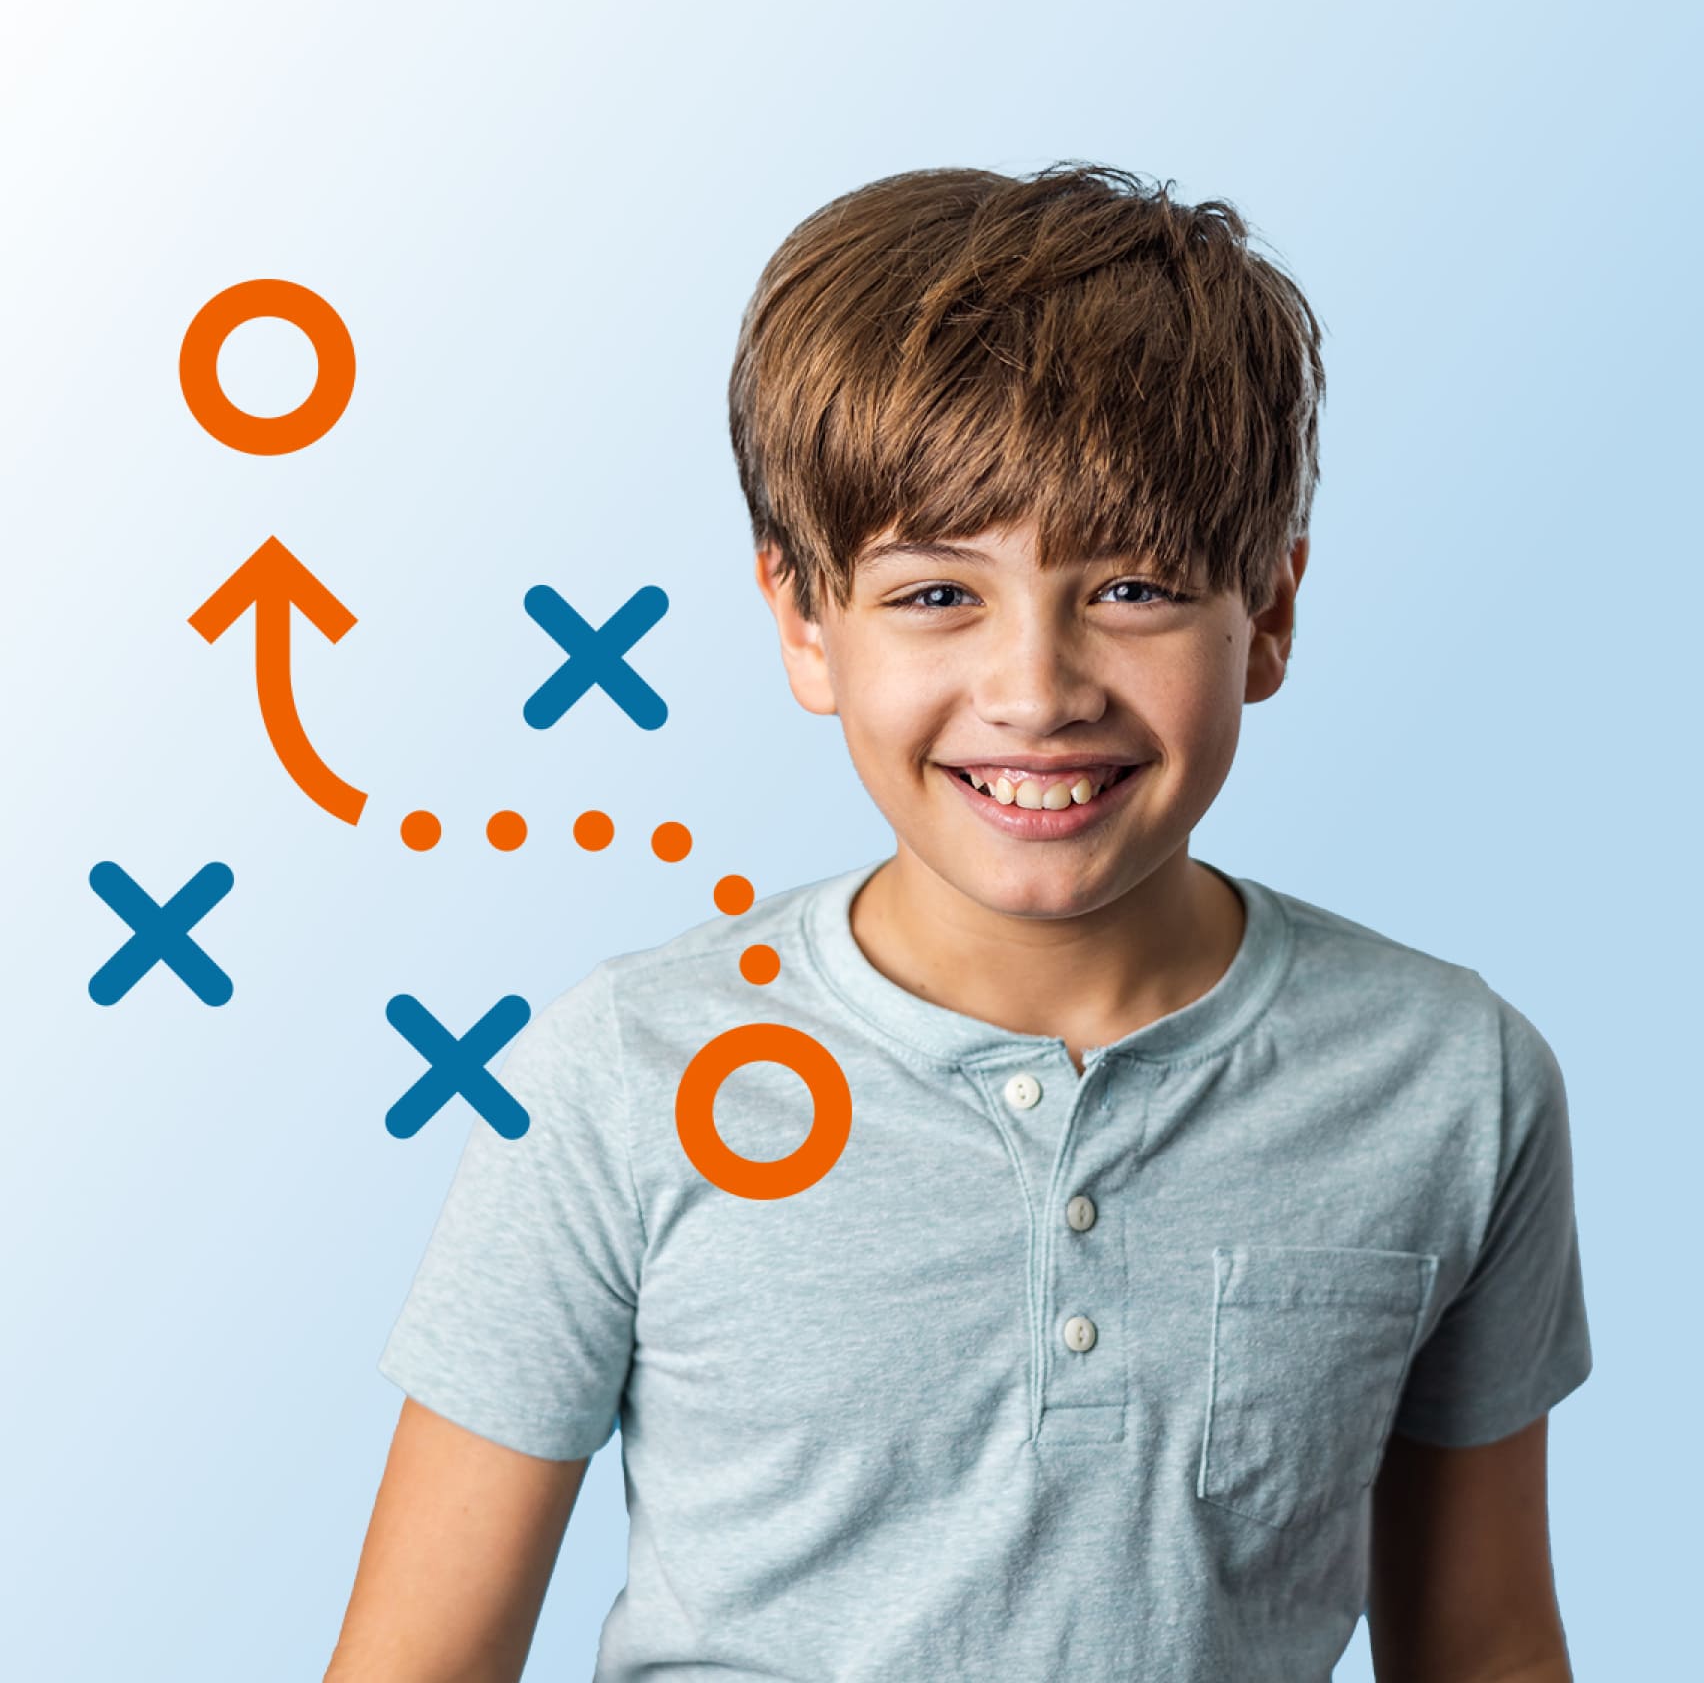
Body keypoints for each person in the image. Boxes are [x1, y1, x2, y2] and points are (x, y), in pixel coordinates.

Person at [327, 163, 1592, 1682]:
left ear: (1266, 613)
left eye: (1134, 586)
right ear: (805, 623)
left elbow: (1486, 1642)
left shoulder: (1455, 1081)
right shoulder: (622, 1071)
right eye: (937, 595)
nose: (1036, 692)